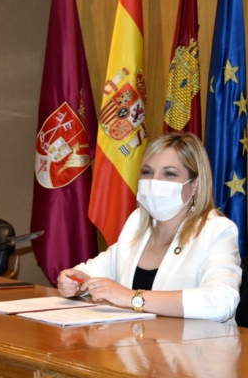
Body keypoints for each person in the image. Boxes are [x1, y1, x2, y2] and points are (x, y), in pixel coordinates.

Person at [58, 132, 241, 323]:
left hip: (195, 348)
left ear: (195, 185)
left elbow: (221, 301)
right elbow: (92, 272)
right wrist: (76, 282)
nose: (155, 181)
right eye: (147, 172)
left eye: (169, 174)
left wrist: (132, 297)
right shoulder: (138, 222)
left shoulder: (216, 230)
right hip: (136, 345)